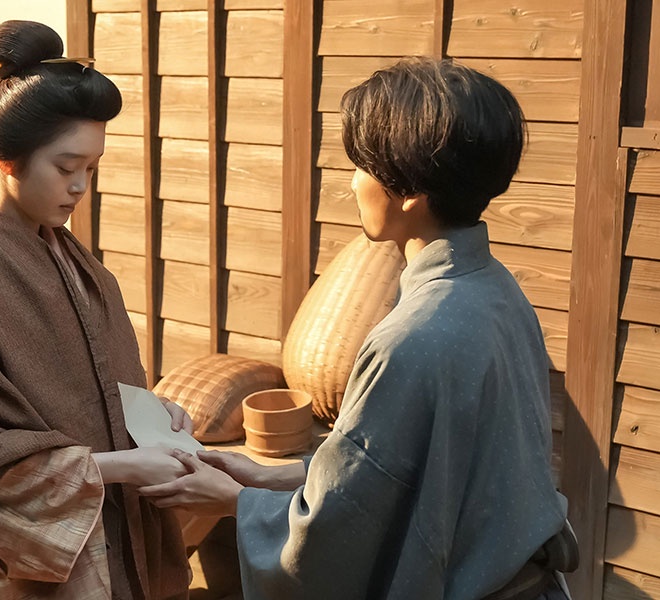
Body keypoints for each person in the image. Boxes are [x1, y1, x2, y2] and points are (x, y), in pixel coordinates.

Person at [140, 57, 578, 599]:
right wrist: (275, 476)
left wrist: (236, 502)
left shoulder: (412, 339)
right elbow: (410, 479)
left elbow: (339, 531)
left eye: (362, 166)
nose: (353, 183)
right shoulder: (496, 290)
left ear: (410, 194)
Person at [0, 20, 191, 600]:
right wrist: (116, 468)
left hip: (107, 518)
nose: (80, 187)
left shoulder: (63, 251)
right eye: (65, 167)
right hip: (39, 554)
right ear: (7, 159)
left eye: (91, 169)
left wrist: (147, 414)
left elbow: (83, 382)